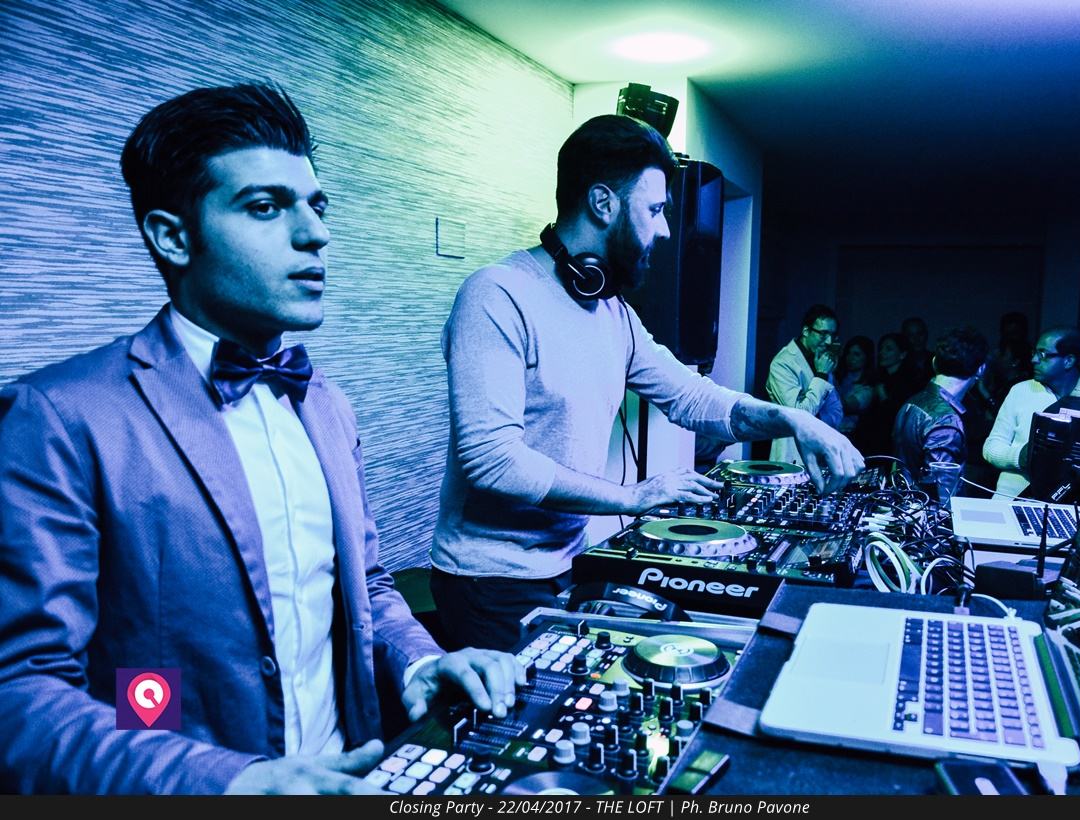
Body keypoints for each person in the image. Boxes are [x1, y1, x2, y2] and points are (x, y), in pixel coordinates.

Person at [0, 84, 518, 795]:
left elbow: (364, 585)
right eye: (267, 207)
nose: (314, 234)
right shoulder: (58, 416)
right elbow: (21, 692)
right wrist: (233, 783)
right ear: (173, 237)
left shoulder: (327, 404)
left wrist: (422, 664)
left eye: (317, 206)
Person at [432, 114, 863, 651]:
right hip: (488, 581)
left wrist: (791, 418)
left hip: (568, 562)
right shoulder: (497, 295)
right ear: (603, 203)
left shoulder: (613, 313)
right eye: (655, 210)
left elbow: (692, 397)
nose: (664, 231)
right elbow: (492, 459)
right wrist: (633, 497)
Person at [983, 328, 1080, 498]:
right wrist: (1020, 456)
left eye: (1043, 354)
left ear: (1068, 361)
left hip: (1063, 502)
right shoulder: (1022, 391)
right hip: (1008, 499)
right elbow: (991, 447)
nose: (1034, 360)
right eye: (1034, 353)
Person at [892, 326, 989, 477]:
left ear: (934, 361)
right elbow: (942, 486)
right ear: (981, 369)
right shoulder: (945, 420)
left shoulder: (913, 402)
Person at [766, 304, 845, 462]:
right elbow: (801, 414)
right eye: (823, 334)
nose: (829, 341)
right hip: (793, 454)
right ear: (806, 331)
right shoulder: (782, 363)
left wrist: (815, 414)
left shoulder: (822, 360)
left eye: (833, 335)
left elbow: (837, 412)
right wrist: (821, 375)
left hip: (822, 451)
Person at [833, 335, 874, 439]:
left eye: (856, 354)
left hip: (846, 436)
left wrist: (828, 374)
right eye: (848, 353)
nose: (850, 358)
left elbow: (843, 406)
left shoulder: (866, 389)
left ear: (867, 357)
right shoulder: (840, 378)